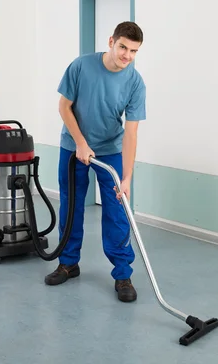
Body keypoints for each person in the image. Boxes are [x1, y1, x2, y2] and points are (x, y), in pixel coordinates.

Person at [44, 21, 146, 303]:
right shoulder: (81, 66)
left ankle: (123, 274)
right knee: (72, 205)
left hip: (110, 148)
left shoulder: (135, 82)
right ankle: (68, 263)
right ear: (111, 41)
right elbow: (64, 107)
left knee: (117, 210)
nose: (127, 55)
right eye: (123, 47)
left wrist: (126, 178)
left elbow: (132, 132)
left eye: (133, 51)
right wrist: (80, 143)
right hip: (73, 145)